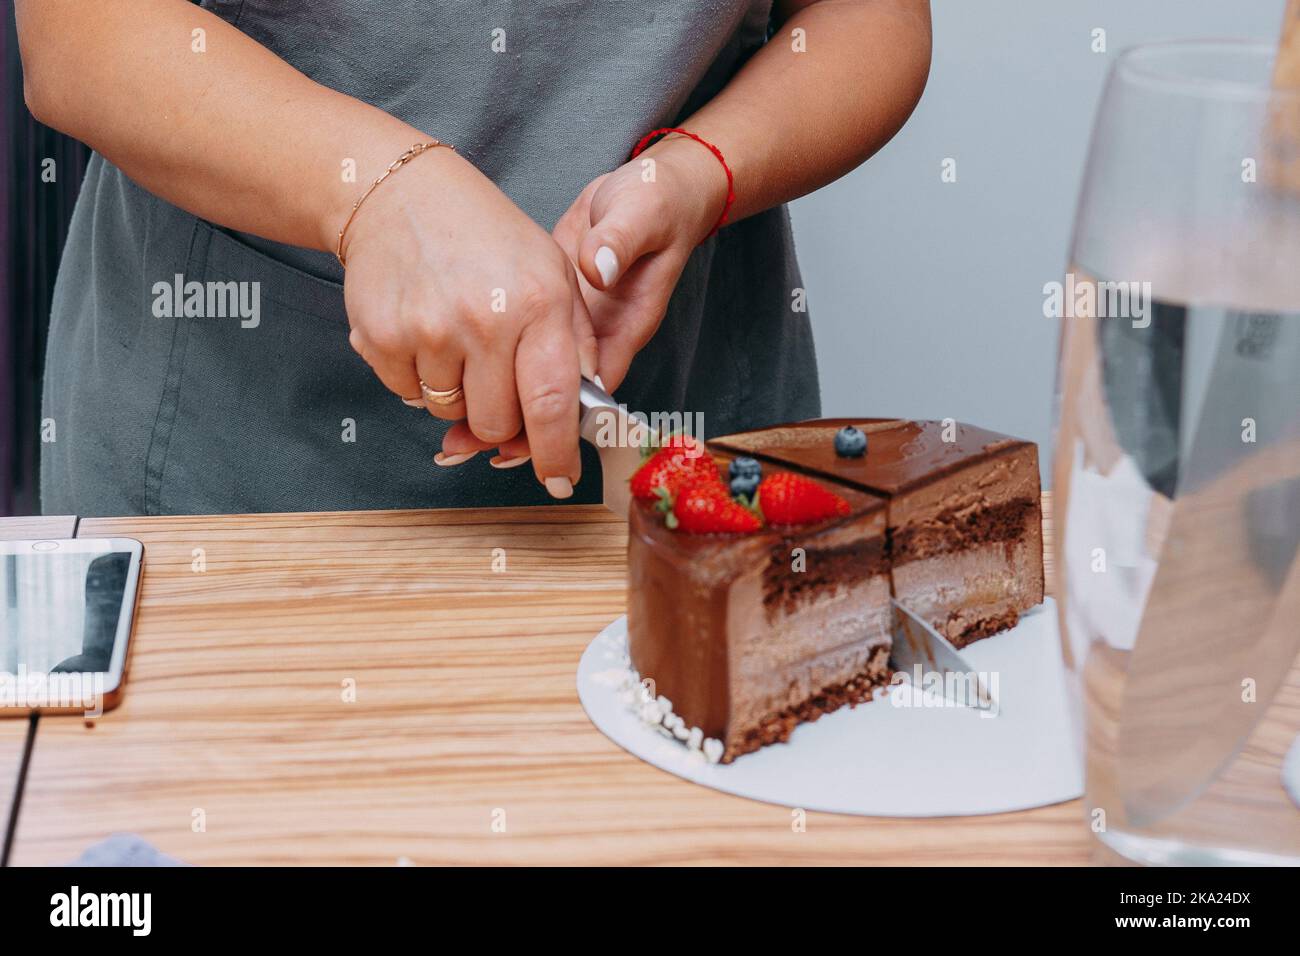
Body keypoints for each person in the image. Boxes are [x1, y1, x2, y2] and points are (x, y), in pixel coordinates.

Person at [17, 0, 932, 516]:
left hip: (693, 405)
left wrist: (696, 177)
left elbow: (871, 19)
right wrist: (372, 189)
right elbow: (76, 34)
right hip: (244, 475)